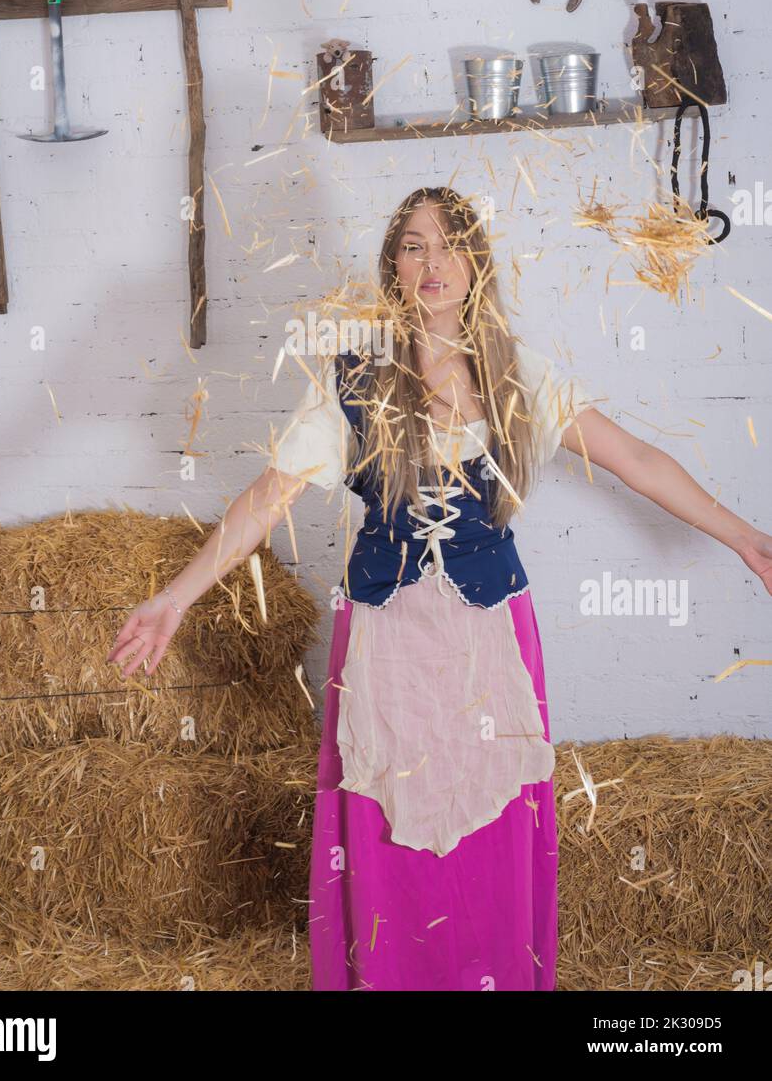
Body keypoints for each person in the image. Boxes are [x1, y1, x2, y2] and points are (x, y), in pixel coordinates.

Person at [107, 185, 772, 992]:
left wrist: (744, 536)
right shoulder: (354, 380)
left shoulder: (518, 376)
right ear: (393, 263)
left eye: (449, 243)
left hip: (487, 632)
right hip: (386, 635)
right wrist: (175, 597)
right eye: (414, 244)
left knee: (491, 822)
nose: (432, 261)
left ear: (475, 264)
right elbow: (266, 498)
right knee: (386, 823)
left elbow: (633, 459)